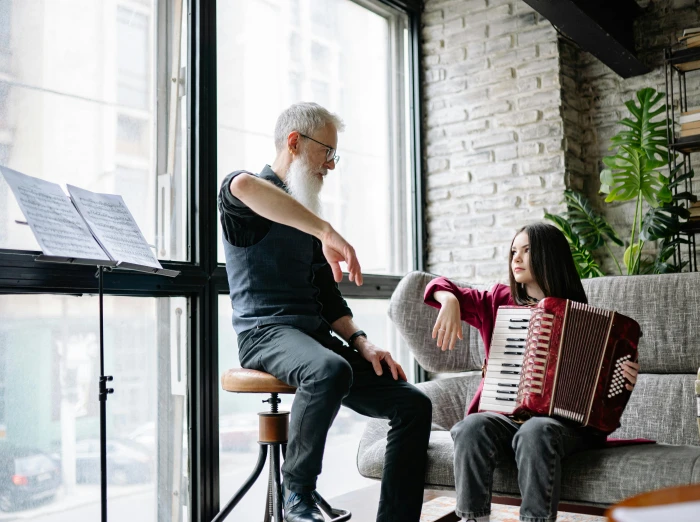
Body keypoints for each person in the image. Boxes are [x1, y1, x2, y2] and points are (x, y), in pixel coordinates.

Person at [219, 102, 431, 522]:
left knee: (412, 404)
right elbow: (241, 185)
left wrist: (362, 342)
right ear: (294, 143)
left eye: (336, 155)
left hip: (316, 339)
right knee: (329, 371)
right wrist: (326, 231)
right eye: (327, 152)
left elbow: (329, 299)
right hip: (266, 334)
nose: (332, 166)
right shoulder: (247, 198)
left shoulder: (305, 215)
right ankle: (297, 494)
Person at [423, 222, 640, 522]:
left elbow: (604, 385)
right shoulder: (497, 301)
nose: (516, 258)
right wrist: (448, 300)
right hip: (508, 420)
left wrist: (623, 374)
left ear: (549, 257)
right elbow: (440, 287)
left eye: (527, 251)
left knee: (536, 430)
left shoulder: (578, 312)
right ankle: (474, 518)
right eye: (514, 250)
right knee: (471, 427)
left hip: (568, 428)